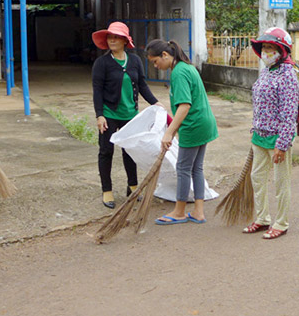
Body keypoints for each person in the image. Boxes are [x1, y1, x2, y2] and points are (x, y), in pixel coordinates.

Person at [146, 39, 218, 225]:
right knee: (196, 168)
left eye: (155, 61)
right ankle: (198, 211)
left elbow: (184, 106)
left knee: (183, 168)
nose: (155, 66)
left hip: (193, 126)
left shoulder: (178, 72)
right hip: (204, 123)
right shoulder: (187, 67)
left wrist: (169, 133)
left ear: (165, 55)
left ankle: (179, 211)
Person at [92, 22, 159, 208]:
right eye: (110, 37)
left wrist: (155, 103)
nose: (112, 40)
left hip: (130, 114)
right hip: (109, 113)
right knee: (106, 151)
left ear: (124, 41)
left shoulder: (135, 60)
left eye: (116, 37)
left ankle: (132, 186)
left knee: (130, 151)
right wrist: (99, 115)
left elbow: (142, 85)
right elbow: (97, 90)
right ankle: (107, 190)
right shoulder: (102, 63)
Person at [242, 28, 299, 240]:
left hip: (277, 138)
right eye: (264, 47)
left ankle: (281, 223)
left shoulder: (288, 76)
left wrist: (282, 144)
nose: (266, 51)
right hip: (259, 135)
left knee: (281, 183)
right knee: (257, 178)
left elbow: (289, 113)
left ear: (282, 51)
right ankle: (262, 218)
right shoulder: (266, 71)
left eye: (270, 47)